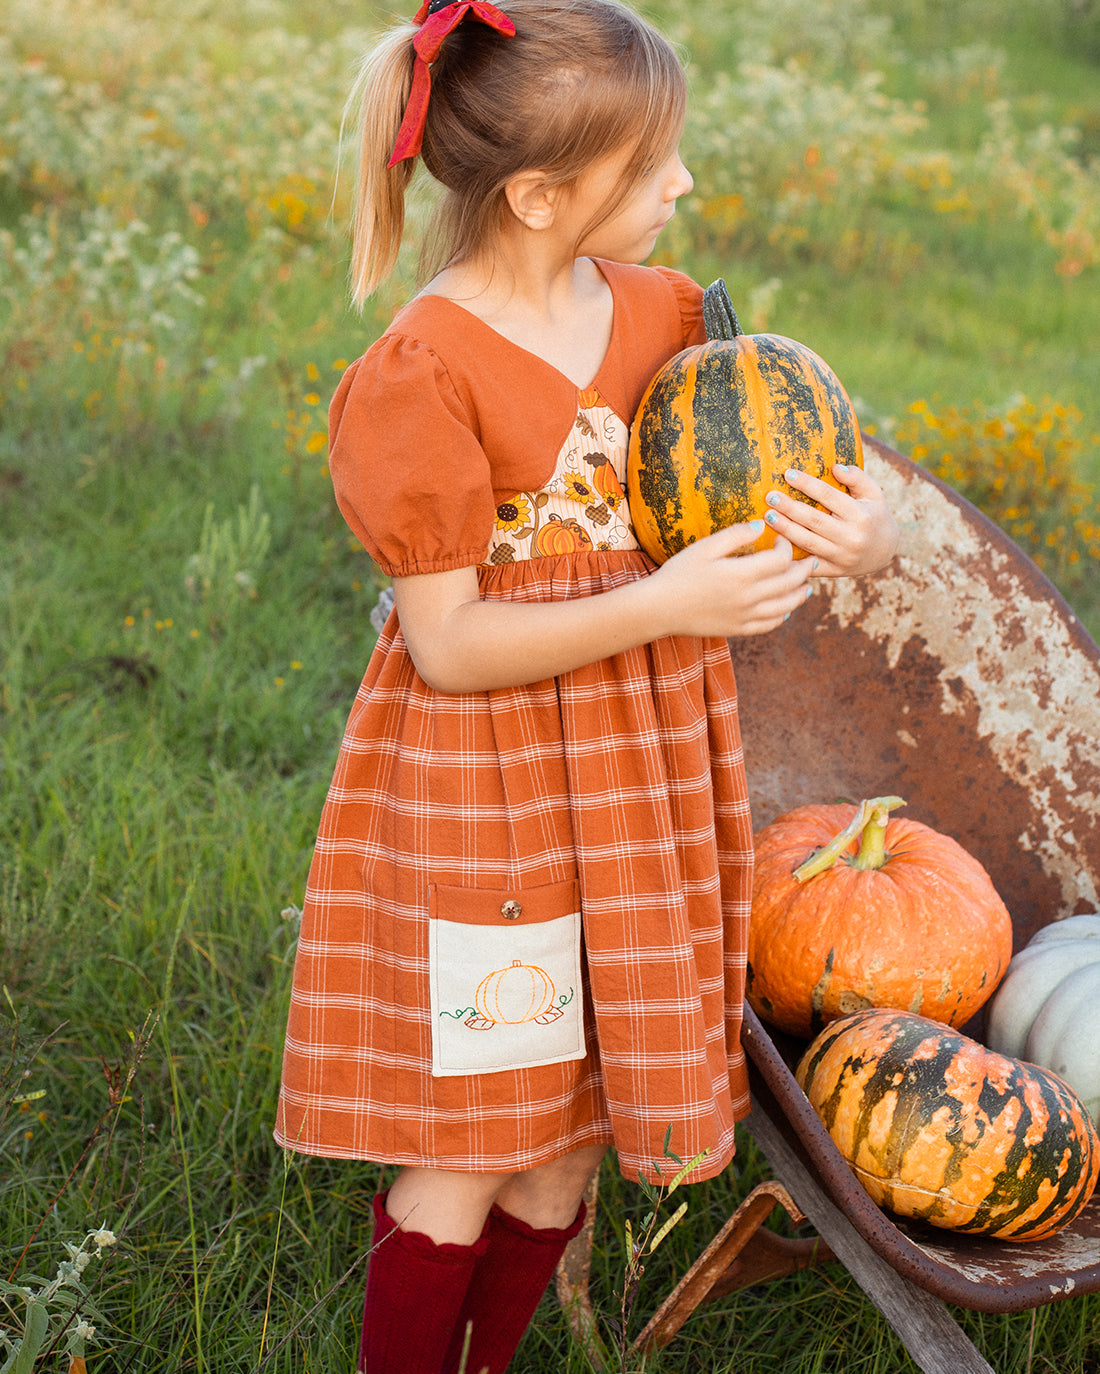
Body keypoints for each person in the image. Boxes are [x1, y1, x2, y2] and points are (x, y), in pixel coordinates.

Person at [274, 1, 899, 1370]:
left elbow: (786, 478)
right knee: (474, 1141)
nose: (685, 184)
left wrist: (864, 530)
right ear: (542, 195)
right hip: (489, 803)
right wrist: (664, 605)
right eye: (653, 164)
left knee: (566, 1140)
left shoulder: (666, 319)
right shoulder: (425, 373)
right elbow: (448, 645)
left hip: (640, 785)